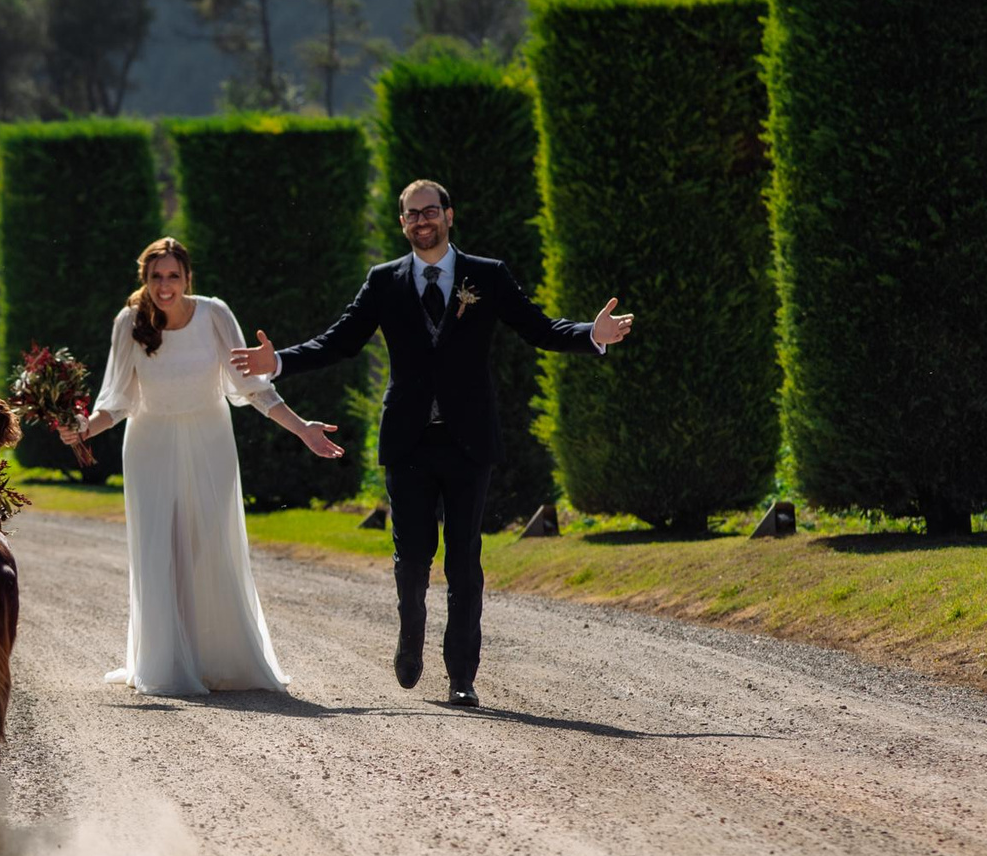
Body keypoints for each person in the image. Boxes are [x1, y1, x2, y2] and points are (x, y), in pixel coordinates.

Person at [229, 179, 633, 708]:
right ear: (402, 223)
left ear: (448, 215)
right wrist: (279, 361)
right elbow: (340, 341)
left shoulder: (486, 275)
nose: (422, 221)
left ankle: (462, 674)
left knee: (465, 560)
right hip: (408, 441)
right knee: (412, 556)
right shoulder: (384, 281)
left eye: (430, 211)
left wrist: (591, 334)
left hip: (469, 441)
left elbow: (537, 328)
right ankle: (410, 631)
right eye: (412, 214)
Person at [59, 237, 346, 695]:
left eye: (173, 276)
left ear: (187, 278)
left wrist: (302, 429)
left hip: (210, 441)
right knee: (159, 551)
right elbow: (117, 402)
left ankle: (217, 660)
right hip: (150, 445)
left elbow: (253, 388)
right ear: (144, 279)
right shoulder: (129, 322)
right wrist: (82, 430)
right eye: (156, 276)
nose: (164, 285)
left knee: (208, 548)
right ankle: (166, 664)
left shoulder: (214, 314)